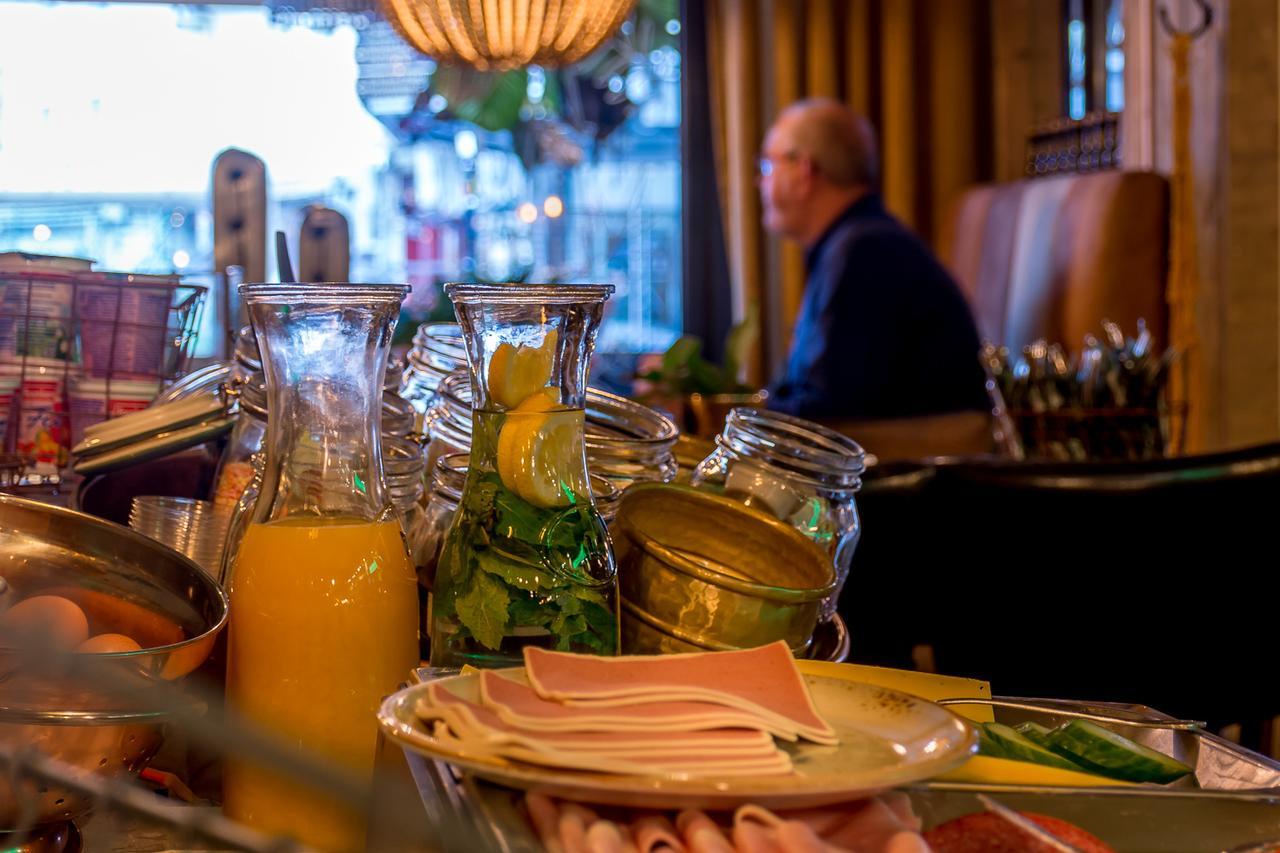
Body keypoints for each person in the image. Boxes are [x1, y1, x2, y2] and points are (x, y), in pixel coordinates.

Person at [758, 98, 988, 421]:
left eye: (768, 166)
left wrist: (736, 417)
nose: (761, 183)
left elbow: (830, 413)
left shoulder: (865, 252)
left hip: (908, 464)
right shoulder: (852, 243)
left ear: (803, 170)